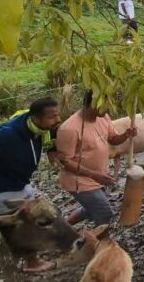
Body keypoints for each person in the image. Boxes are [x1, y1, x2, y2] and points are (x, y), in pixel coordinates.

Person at [0, 97, 62, 271]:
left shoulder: (41, 128)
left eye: (58, 115)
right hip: (0, 189)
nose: (57, 120)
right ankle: (4, 268)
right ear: (35, 117)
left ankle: (31, 261)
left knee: (32, 222)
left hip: (21, 184)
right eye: (53, 117)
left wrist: (51, 149)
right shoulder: (4, 134)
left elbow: (51, 134)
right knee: (16, 230)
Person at [55, 91, 137, 226]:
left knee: (89, 209)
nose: (109, 107)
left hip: (97, 177)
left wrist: (126, 135)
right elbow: (65, 162)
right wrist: (95, 175)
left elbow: (113, 139)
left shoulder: (103, 118)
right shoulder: (69, 129)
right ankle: (99, 244)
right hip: (79, 182)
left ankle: (63, 227)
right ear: (93, 103)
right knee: (105, 214)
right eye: (106, 104)